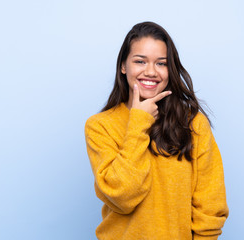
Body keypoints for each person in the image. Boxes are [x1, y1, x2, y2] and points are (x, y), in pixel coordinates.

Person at [84, 21, 229, 240]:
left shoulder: (193, 123)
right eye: (140, 61)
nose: (151, 72)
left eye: (161, 63)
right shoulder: (100, 126)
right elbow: (122, 197)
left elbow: (211, 203)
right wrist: (139, 122)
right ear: (123, 66)